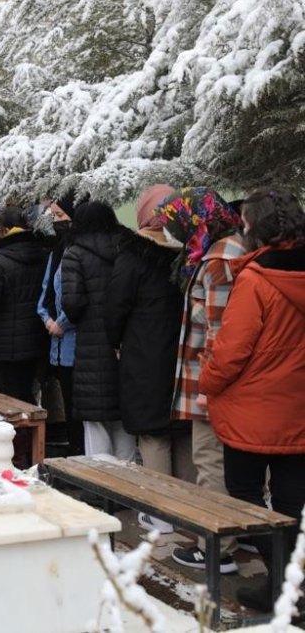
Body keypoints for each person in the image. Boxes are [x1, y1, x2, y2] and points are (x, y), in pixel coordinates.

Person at [199, 189, 305, 613]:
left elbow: (231, 352)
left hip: (252, 408)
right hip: (298, 406)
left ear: (255, 226)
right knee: (291, 500)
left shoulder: (256, 279)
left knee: (243, 492)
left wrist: (207, 380)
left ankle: (284, 579)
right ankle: (287, 581)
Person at [158, 187, 244, 575]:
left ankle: (217, 548)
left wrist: (209, 386)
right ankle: (234, 536)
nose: (172, 233)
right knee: (225, 464)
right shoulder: (221, 252)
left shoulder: (219, 261)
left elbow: (219, 332)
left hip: (213, 385)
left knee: (210, 461)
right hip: (218, 382)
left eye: (175, 224)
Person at [105, 184, 193, 533]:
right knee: (185, 431)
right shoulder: (192, 253)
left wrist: (116, 342)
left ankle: (161, 513)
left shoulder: (133, 257)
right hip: (187, 355)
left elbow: (114, 308)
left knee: (154, 434)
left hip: (146, 355)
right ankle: (193, 511)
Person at [60, 201, 136, 461]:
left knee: (95, 421)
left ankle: (100, 478)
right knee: (123, 417)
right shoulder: (128, 247)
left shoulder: (75, 253)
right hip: (127, 340)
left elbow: (72, 303)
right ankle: (127, 475)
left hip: (91, 346)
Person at [36, 192, 85, 456]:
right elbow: (46, 289)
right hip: (56, 341)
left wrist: (62, 322)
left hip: (75, 341)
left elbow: (78, 294)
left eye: (60, 215)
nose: (56, 221)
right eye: (54, 215)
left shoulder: (79, 250)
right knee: (68, 401)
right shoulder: (57, 249)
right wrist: (46, 316)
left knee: (78, 407)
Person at [0, 206, 49, 405]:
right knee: (28, 391)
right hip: (37, 336)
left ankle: (21, 427)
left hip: (6, 342)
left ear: (4, 230)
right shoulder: (42, 254)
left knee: (11, 395)